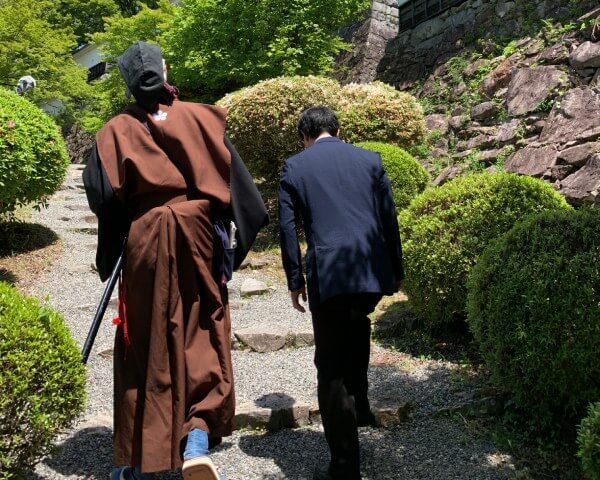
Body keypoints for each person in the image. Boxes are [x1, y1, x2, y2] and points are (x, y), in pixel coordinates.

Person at [83, 42, 268, 480]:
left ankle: (134, 460)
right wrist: (232, 253)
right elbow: (250, 202)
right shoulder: (204, 116)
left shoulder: (113, 131)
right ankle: (197, 440)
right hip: (199, 232)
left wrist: (110, 257)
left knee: (144, 339)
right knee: (202, 327)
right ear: (164, 70)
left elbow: (104, 198)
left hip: (145, 236)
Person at [278, 106, 403, 480]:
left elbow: (288, 229)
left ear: (305, 135)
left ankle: (345, 467)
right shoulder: (369, 159)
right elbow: (388, 217)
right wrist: (396, 270)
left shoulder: (295, 167)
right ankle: (359, 405)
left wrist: (294, 279)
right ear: (337, 128)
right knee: (357, 323)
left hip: (330, 274)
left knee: (329, 365)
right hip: (369, 270)